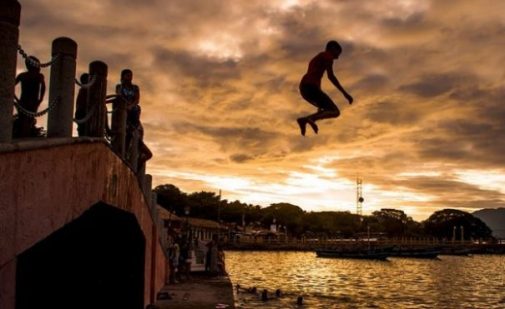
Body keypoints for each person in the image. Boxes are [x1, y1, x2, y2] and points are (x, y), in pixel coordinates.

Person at [297, 40, 353, 136]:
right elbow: (331, 76)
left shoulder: (317, 58)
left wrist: (320, 105)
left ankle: (304, 120)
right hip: (310, 87)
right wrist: (345, 93)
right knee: (335, 111)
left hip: (304, 88)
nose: (337, 57)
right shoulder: (327, 56)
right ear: (332, 49)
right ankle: (310, 119)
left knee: (327, 110)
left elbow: (315, 78)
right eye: (337, 53)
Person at [14, 56, 46, 138]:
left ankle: (23, 137)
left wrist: (17, 99)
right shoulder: (38, 76)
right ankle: (24, 137)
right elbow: (43, 88)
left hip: (25, 101)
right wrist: (40, 99)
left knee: (26, 121)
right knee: (27, 121)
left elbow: (43, 88)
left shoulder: (23, 76)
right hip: (30, 101)